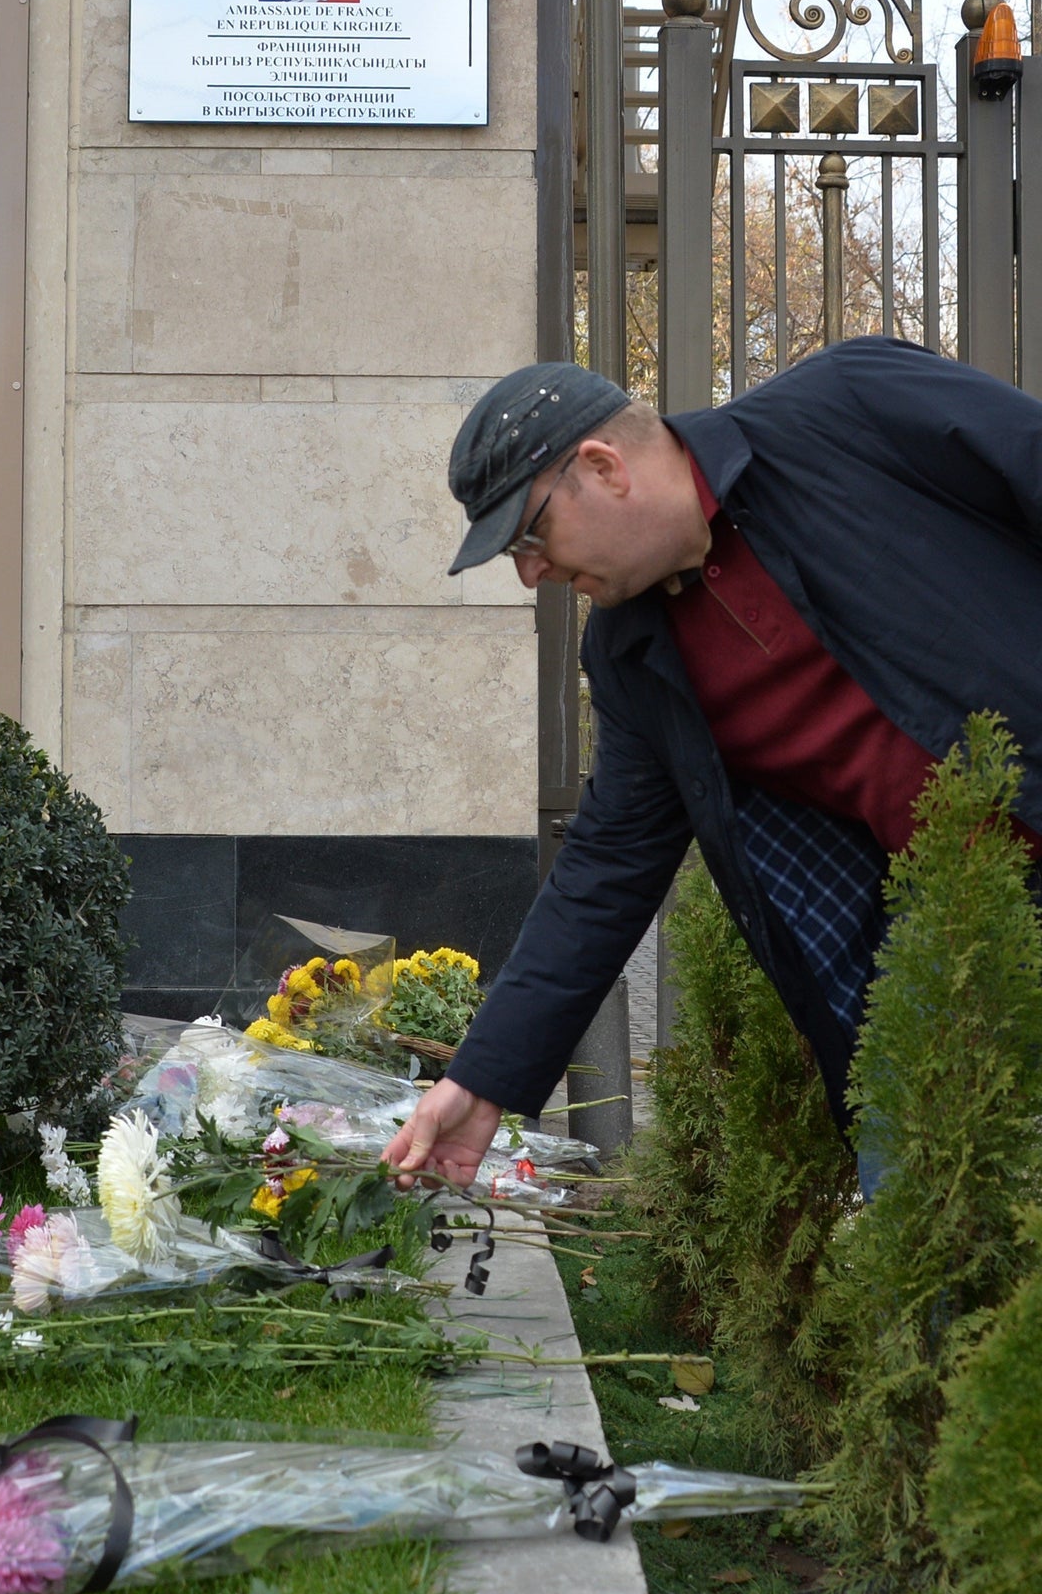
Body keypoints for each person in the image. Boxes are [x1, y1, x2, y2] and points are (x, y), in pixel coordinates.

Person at [381, 335, 1042, 1195]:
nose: (531, 574)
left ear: (603, 465)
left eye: (529, 534)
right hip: (954, 919)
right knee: (919, 1200)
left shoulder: (851, 405)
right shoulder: (631, 653)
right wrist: (483, 1081)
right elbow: (608, 867)